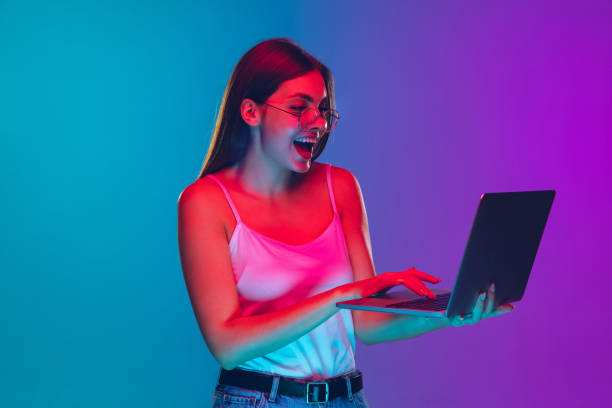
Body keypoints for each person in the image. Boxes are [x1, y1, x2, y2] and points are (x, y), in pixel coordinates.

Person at [177, 38, 513, 408]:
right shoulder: (205, 202)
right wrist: (340, 296)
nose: (318, 123)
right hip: (259, 400)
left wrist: (452, 314)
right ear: (251, 112)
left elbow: (367, 324)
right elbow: (227, 346)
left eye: (322, 109)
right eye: (298, 108)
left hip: (345, 399)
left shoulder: (340, 186)